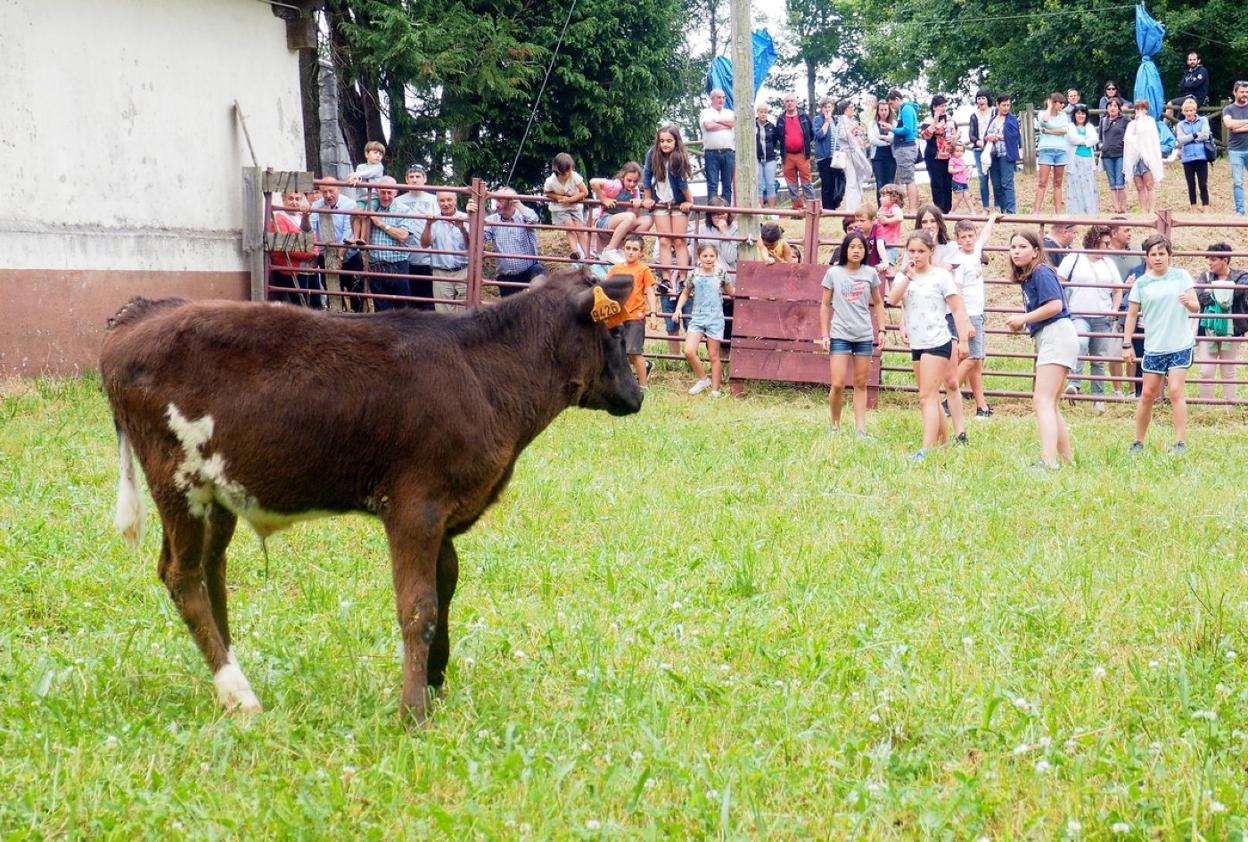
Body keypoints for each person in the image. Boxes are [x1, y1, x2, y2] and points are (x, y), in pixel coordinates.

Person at [887, 231, 972, 459]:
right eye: (912, 251)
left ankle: (926, 449)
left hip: (938, 341)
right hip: (918, 342)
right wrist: (907, 275)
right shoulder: (904, 277)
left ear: (931, 252)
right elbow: (893, 300)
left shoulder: (941, 276)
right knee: (929, 396)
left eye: (921, 251)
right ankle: (943, 445)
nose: (916, 256)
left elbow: (957, 309)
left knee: (927, 396)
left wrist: (963, 340)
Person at [1004, 230, 1079, 468]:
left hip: (1057, 334)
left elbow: (1055, 305)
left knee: (1042, 400)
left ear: (1036, 251)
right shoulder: (1031, 276)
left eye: (1022, 246)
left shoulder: (1041, 272)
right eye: (1013, 247)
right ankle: (1067, 461)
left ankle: (1048, 462)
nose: (1016, 251)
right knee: (1050, 403)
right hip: (1054, 335)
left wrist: (1024, 318)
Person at [1121, 234, 1200, 453]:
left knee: (1175, 391)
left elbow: (1196, 307)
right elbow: (1131, 315)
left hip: (1180, 344)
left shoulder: (1181, 277)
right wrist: (1126, 344)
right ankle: (1138, 441)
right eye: (1153, 254)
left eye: (1161, 253)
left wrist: (1189, 303)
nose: (1158, 258)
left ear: (1169, 255)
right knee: (1147, 394)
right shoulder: (1141, 283)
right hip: (1155, 346)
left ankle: (1180, 442)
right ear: (1146, 257)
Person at [818, 231, 887, 435]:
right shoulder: (833, 273)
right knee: (838, 383)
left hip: (863, 335)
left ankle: (860, 429)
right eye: (852, 247)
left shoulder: (870, 273)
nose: (856, 251)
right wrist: (824, 333)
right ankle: (835, 425)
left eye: (860, 247)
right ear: (845, 249)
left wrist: (881, 329)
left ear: (865, 250)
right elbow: (824, 304)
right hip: (840, 334)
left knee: (860, 383)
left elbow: (879, 302)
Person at [1057, 225, 1122, 412]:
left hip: (1102, 316)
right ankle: (1075, 383)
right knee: (1080, 342)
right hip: (1078, 313)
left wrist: (1114, 310)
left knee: (1098, 359)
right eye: (1106, 243)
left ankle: (1097, 399)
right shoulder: (1074, 259)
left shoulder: (1109, 264)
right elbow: (1059, 281)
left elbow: (1117, 290)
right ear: (1095, 241)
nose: (1108, 247)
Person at [951, 213, 1000, 418]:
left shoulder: (976, 251)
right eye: (963, 237)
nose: (968, 240)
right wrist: (964, 318)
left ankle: (981, 408)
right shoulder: (960, 260)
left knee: (976, 364)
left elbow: (985, 236)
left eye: (970, 235)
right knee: (974, 356)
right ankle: (948, 397)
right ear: (957, 239)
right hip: (969, 313)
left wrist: (992, 218)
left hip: (978, 311)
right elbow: (958, 290)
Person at [675, 243, 734, 397]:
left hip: (715, 317)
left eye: (711, 256)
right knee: (689, 350)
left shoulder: (721, 272)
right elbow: (685, 293)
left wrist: (745, 293)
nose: (708, 259)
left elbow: (731, 291)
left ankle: (715, 389)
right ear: (699, 257)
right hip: (698, 316)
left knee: (714, 355)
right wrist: (678, 308)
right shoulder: (694, 274)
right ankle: (703, 379)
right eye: (705, 256)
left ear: (716, 257)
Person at [642, 124, 695, 292]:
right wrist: (648, 197)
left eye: (669, 141)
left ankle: (683, 278)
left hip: (678, 202)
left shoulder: (678, 157)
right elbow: (647, 176)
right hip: (661, 201)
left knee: (679, 241)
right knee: (664, 240)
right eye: (662, 141)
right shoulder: (652, 154)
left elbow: (682, 183)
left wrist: (689, 202)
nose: (665, 144)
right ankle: (666, 279)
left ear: (676, 141)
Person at [604, 234, 659, 388]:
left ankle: (643, 386)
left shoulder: (643, 269)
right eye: (628, 248)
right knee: (620, 352)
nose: (630, 252)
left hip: (636, 315)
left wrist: (653, 314)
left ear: (641, 252)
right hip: (618, 316)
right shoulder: (616, 269)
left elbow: (650, 291)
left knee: (635, 351)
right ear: (623, 249)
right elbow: (607, 290)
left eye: (635, 249)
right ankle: (643, 368)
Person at [1195, 243, 1248, 401]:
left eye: (1213, 259)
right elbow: (1199, 297)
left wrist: (1211, 292)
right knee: (1205, 371)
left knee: (1228, 371)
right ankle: (1206, 407)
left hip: (1232, 331)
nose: (1210, 263)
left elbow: (1240, 293)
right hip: (1208, 329)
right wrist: (1225, 293)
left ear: (1225, 260)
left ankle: (1229, 408)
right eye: (1209, 260)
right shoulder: (1205, 276)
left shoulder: (1241, 276)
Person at [307, 182, 366, 312]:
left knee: (355, 292)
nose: (328, 195)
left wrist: (339, 256)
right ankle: (336, 318)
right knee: (332, 292)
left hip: (349, 257)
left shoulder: (349, 204)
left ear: (339, 189)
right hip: (326, 256)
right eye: (324, 192)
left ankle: (358, 321)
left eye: (331, 191)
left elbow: (348, 232)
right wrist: (315, 252)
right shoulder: (316, 206)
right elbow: (312, 231)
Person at [365, 177, 416, 311]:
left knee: (403, 308)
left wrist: (380, 223)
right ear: (377, 191)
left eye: (389, 193)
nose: (386, 196)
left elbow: (403, 236)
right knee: (381, 309)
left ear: (396, 192)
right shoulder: (371, 207)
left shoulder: (404, 210)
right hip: (376, 265)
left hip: (397, 265)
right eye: (383, 192)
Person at [484, 188, 546, 298]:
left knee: (538, 270)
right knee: (510, 311)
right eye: (496, 201)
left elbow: (534, 219)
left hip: (528, 270)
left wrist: (516, 201)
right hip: (507, 275)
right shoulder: (492, 220)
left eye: (501, 201)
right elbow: (478, 237)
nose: (497, 205)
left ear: (511, 202)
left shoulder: (524, 216)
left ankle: (538, 301)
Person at [393, 164, 437, 310]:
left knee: (428, 300)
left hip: (428, 257)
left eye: (418, 176)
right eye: (411, 177)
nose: (414, 180)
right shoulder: (398, 201)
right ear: (406, 180)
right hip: (405, 256)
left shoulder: (434, 200)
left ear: (425, 179)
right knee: (408, 300)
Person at [267, 190, 322, 308]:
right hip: (291, 269)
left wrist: (315, 250)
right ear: (283, 200)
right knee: (299, 305)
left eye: (297, 199)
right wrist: (311, 254)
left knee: (315, 303)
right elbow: (286, 246)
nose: (294, 202)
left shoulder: (302, 216)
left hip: (309, 268)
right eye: (290, 198)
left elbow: (313, 237)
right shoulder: (278, 219)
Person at [420, 190, 470, 312]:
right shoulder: (433, 221)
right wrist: (428, 224)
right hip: (441, 272)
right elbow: (424, 244)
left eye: (449, 200)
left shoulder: (466, 218)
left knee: (465, 311)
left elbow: (472, 246)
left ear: (455, 201)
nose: (445, 203)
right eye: (442, 200)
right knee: (443, 313)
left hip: (463, 270)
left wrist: (462, 228)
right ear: (437, 202)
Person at [590, 162, 652, 257]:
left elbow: (636, 216)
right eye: (629, 180)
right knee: (629, 216)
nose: (632, 184)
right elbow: (593, 182)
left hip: (622, 223)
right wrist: (603, 199)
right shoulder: (615, 185)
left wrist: (636, 205)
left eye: (635, 181)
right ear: (623, 176)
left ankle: (625, 247)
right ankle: (610, 250)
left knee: (648, 220)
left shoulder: (635, 190)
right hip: (604, 221)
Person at [544, 152, 590, 261]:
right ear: (557, 171)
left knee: (580, 229)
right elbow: (547, 193)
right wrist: (559, 197)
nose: (569, 174)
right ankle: (575, 251)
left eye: (570, 170)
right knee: (570, 227)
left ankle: (588, 254)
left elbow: (585, 192)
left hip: (575, 206)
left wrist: (570, 199)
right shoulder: (551, 181)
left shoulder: (575, 176)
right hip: (561, 207)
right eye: (565, 172)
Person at [775, 94, 815, 210]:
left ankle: (811, 208)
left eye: (792, 101)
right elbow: (778, 136)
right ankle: (797, 208)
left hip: (802, 154)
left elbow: (810, 134)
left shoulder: (804, 116)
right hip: (787, 156)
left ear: (796, 102)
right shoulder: (781, 119)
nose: (790, 103)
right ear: (784, 103)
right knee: (792, 184)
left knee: (806, 182)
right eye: (787, 101)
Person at [1123, 99, 1163, 213]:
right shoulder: (1131, 124)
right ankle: (1143, 209)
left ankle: (1151, 209)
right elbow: (1128, 139)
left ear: (1146, 110)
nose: (1139, 111)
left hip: (1147, 157)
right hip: (1135, 158)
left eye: (1142, 108)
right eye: (1137, 109)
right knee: (1139, 186)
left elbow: (1149, 138)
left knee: (1149, 184)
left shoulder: (1150, 122)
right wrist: (1136, 123)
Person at [983, 94, 1021, 214]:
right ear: (998, 105)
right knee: (996, 183)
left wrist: (998, 137)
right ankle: (1001, 208)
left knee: (1007, 182)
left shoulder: (1012, 119)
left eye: (1008, 105)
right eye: (1003, 105)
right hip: (993, 154)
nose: (1006, 108)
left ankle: (1011, 210)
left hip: (1006, 154)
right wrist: (989, 137)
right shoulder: (993, 119)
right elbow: (986, 134)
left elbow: (1015, 136)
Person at [1175, 98, 1214, 213]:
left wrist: (1190, 138)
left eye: (1191, 110)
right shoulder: (1180, 124)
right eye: (1186, 111)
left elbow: (1206, 135)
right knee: (1191, 184)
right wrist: (1195, 135)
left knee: (1203, 183)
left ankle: (1206, 206)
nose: (1189, 113)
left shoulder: (1203, 120)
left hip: (1201, 156)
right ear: (1183, 112)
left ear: (1195, 110)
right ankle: (1193, 207)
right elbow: (1180, 140)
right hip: (1187, 158)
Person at [1034, 92, 1070, 214]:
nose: (1062, 105)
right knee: (1042, 182)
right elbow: (1044, 120)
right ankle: (1036, 211)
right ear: (1053, 103)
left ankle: (1059, 212)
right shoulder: (1042, 114)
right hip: (1046, 150)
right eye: (1060, 102)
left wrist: (1049, 131)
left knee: (1058, 182)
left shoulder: (1063, 116)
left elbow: (1064, 130)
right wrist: (1049, 106)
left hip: (1061, 151)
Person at [886, 89, 921, 212]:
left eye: (891, 104)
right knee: (909, 179)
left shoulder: (906, 109)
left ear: (897, 99)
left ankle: (912, 209)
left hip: (905, 148)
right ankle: (913, 207)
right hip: (905, 147)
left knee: (908, 180)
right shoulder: (906, 109)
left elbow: (907, 129)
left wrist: (892, 129)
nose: (891, 107)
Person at [347, 140, 386, 248]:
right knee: (357, 213)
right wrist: (355, 178)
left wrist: (355, 175)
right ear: (366, 154)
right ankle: (355, 237)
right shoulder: (360, 167)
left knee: (366, 213)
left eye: (380, 154)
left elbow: (368, 174)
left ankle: (363, 238)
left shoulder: (379, 167)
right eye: (375, 153)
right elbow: (359, 177)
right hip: (361, 197)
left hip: (373, 197)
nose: (378, 156)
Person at [920, 95, 955, 213]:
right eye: (941, 106)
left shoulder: (949, 120)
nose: (943, 108)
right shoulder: (928, 121)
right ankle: (939, 210)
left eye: (945, 105)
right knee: (937, 183)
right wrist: (935, 122)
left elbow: (954, 134)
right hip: (933, 156)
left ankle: (948, 210)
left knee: (947, 183)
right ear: (934, 107)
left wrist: (954, 138)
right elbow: (925, 136)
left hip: (947, 155)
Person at [700, 89, 735, 203]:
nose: (721, 100)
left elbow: (733, 123)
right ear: (712, 99)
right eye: (718, 97)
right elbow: (708, 126)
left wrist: (717, 121)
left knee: (727, 185)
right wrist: (725, 125)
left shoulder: (730, 112)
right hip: (711, 153)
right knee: (712, 185)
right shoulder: (706, 112)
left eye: (723, 97)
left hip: (728, 153)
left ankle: (728, 214)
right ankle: (713, 215)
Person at [1065, 105, 1099, 215]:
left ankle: (1090, 210)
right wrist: (1086, 140)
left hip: (1088, 158)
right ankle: (1076, 211)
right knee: (1076, 183)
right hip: (1075, 159)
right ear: (1074, 115)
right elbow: (1072, 139)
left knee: (1088, 184)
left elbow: (1095, 139)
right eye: (1078, 113)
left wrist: (1084, 141)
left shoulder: (1089, 126)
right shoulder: (1070, 126)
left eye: (1083, 113)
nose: (1081, 116)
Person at [813, 97, 845, 211]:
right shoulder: (818, 120)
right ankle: (827, 209)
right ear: (821, 109)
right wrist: (826, 122)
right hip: (824, 156)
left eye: (829, 107)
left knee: (839, 181)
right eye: (825, 107)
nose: (827, 109)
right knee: (827, 183)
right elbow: (819, 135)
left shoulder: (837, 120)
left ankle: (835, 204)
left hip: (836, 156)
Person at [1099, 97, 1129, 213]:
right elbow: (1100, 137)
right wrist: (1102, 145)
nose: (1113, 108)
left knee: (1120, 182)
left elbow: (1131, 133)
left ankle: (1124, 207)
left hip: (1120, 154)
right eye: (1110, 106)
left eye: (1115, 106)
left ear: (1119, 108)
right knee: (1112, 182)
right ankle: (1116, 207)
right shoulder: (1103, 121)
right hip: (1107, 155)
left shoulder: (1125, 120)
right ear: (1107, 108)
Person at [966, 90, 994, 212]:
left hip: (993, 148)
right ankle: (986, 207)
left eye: (983, 98)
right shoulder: (974, 116)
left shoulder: (994, 112)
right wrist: (978, 141)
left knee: (996, 178)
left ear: (987, 99)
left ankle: (998, 205)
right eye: (978, 98)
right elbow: (971, 134)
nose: (981, 101)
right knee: (983, 178)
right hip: (979, 149)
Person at [1224, 81, 1248, 216]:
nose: (1245, 94)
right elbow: (1229, 124)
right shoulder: (1228, 109)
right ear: (1235, 92)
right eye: (1242, 92)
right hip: (1235, 150)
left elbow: (1234, 126)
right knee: (1238, 182)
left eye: (1247, 92)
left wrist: (1236, 126)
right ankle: (1240, 211)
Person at [867, 99, 896, 204]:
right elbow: (873, 139)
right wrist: (886, 141)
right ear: (878, 111)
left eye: (886, 110)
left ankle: (891, 206)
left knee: (890, 183)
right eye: (881, 110)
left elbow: (893, 138)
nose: (884, 112)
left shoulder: (893, 123)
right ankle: (881, 207)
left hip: (891, 157)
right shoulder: (872, 124)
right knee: (880, 183)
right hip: (877, 157)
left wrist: (882, 137)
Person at [755, 103, 780, 210]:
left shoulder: (771, 126)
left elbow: (774, 141)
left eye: (765, 112)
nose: (763, 114)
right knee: (759, 184)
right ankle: (760, 208)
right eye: (761, 112)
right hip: (757, 158)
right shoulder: (753, 125)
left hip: (770, 158)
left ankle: (772, 209)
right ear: (757, 113)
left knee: (770, 184)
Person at [876, 184, 905, 263]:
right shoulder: (882, 208)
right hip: (880, 244)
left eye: (883, 196)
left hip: (890, 245)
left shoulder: (894, 207)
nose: (880, 198)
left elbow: (899, 217)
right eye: (880, 196)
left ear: (894, 198)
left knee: (888, 266)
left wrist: (886, 221)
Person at [949, 141, 972, 213]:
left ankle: (972, 211)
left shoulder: (962, 160)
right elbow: (950, 170)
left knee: (967, 197)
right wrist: (960, 169)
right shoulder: (952, 160)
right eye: (957, 151)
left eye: (961, 151)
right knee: (959, 198)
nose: (959, 153)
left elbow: (964, 171)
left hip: (963, 181)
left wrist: (967, 174)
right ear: (953, 151)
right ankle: (952, 211)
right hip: (957, 181)